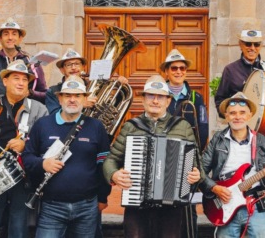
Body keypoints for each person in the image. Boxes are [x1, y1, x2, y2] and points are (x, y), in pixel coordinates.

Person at [103, 74, 201, 238]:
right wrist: (114, 174)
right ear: (143, 99)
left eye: (160, 97)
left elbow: (198, 166)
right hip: (137, 205)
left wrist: (196, 175)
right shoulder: (131, 127)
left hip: (172, 208)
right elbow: (111, 160)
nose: (155, 101)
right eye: (151, 95)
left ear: (168, 101)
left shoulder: (182, 127)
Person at [214, 24, 265, 236]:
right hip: (240, 136)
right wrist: (233, 112)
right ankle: (233, 217)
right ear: (240, 45)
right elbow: (219, 101)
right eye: (248, 44)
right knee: (238, 179)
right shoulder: (230, 70)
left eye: (256, 44)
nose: (252, 47)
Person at [21, 75, 111, 238]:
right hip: (51, 207)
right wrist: (43, 164)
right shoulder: (43, 125)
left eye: (77, 95)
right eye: (68, 95)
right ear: (60, 99)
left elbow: (103, 165)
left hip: (87, 207)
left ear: (85, 99)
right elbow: (27, 157)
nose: (72, 100)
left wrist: (103, 197)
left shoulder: (96, 126)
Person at [200, 92, 265, 237]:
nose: (237, 117)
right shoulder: (217, 140)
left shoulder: (264, 143)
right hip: (224, 203)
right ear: (226, 116)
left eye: (242, 113)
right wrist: (214, 188)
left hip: (255, 204)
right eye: (233, 113)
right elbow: (200, 170)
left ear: (250, 115)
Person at [0, 59, 48, 238]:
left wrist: (27, 146)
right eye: (15, 78)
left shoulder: (40, 109)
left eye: (24, 80)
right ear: (4, 81)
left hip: (23, 177)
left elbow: (47, 144)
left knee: (18, 226)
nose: (20, 83)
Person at [160, 49, 209, 238]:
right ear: (167, 71)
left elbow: (203, 129)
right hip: (163, 155)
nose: (178, 71)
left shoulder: (196, 98)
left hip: (187, 158)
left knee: (188, 209)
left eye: (182, 68)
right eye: (174, 68)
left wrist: (195, 156)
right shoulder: (159, 94)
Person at [45, 48, 128, 115]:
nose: (73, 68)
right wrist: (80, 106)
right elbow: (53, 115)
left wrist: (120, 88)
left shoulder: (96, 87)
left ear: (83, 67)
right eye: (69, 65)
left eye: (77, 64)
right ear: (62, 70)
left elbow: (113, 107)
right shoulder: (53, 91)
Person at [0, 17, 48, 103]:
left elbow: (45, 95)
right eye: (6, 34)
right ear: (0, 38)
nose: (10, 38)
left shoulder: (34, 63)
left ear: (20, 38)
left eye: (14, 34)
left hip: (27, 113)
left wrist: (31, 93)